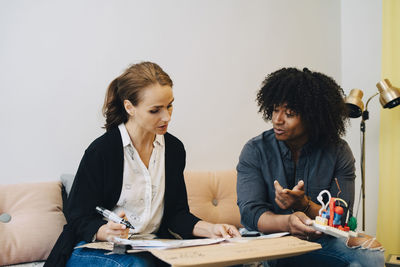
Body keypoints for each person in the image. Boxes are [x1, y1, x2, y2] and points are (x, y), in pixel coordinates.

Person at [45, 62, 240, 267]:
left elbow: (176, 214)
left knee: (225, 259)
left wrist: (213, 230)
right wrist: (103, 230)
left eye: (169, 105)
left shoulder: (173, 149)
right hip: (93, 249)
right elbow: (78, 217)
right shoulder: (101, 151)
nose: (167, 117)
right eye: (155, 110)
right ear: (129, 107)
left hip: (150, 247)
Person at [236, 67, 384, 267]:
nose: (277, 120)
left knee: (372, 255)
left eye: (289, 113)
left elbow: (340, 214)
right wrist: (288, 223)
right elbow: (251, 214)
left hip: (320, 240)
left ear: (312, 117)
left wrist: (303, 204)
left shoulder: (338, 151)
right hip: (271, 241)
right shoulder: (255, 150)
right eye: (275, 109)